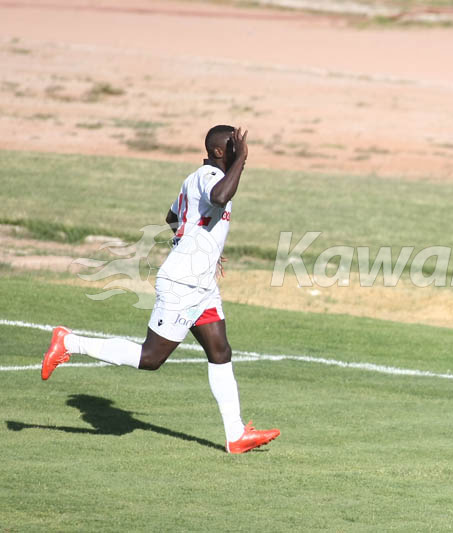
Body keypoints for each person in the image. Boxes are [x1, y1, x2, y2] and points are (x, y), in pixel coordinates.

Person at [41, 125, 280, 454]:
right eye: (234, 146)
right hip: (183, 283)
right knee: (151, 358)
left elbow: (172, 216)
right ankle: (69, 342)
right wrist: (243, 161)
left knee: (220, 352)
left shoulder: (200, 178)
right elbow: (220, 197)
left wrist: (201, 247)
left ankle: (236, 435)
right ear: (219, 152)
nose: (240, 149)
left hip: (200, 284)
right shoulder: (209, 176)